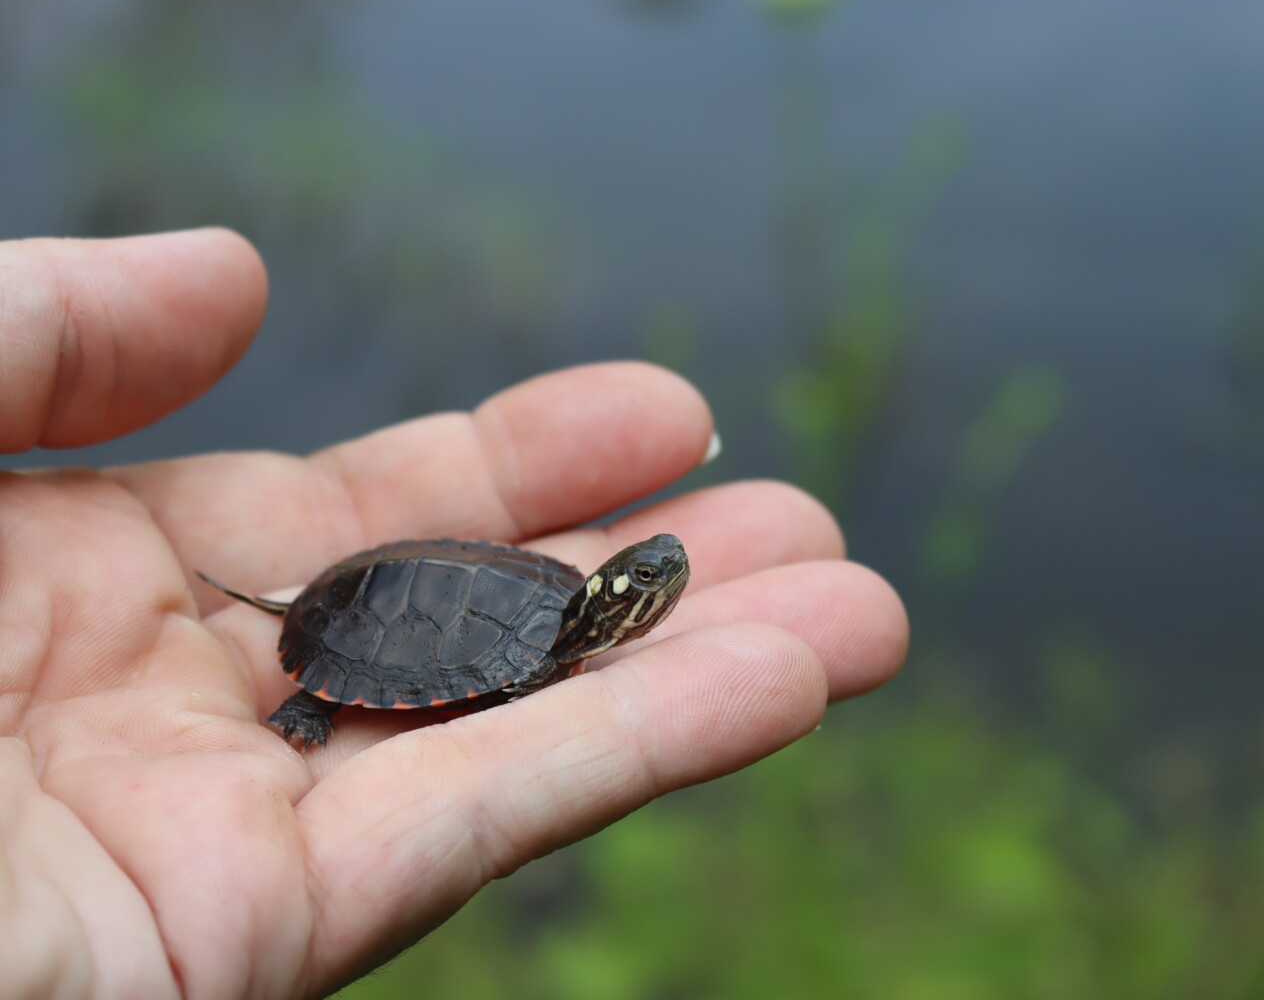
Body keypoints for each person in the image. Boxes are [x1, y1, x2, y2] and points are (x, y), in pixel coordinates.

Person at [0, 229, 907, 999]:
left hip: (447, 586)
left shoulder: (558, 614)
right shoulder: (539, 654)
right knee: (335, 699)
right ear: (611, 606)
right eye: (641, 578)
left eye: (644, 580)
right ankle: (317, 698)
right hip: (358, 604)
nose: (659, 571)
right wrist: (315, 694)